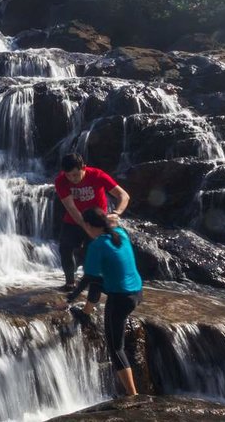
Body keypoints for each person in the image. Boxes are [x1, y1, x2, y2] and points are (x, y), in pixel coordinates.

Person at [79, 207, 143, 397]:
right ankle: (87, 310)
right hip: (137, 293)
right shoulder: (120, 233)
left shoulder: (97, 245)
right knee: (99, 282)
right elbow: (97, 281)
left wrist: (69, 299)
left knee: (116, 348)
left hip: (120, 299)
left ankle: (133, 395)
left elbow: (87, 280)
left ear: (89, 226)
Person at [53, 153, 129, 288]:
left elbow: (123, 195)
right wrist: (84, 225)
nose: (72, 179)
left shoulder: (97, 175)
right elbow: (71, 208)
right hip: (73, 220)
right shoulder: (60, 181)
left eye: (76, 175)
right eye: (68, 175)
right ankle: (70, 283)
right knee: (65, 248)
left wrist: (116, 213)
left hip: (96, 221)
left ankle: (91, 286)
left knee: (93, 253)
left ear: (84, 168)